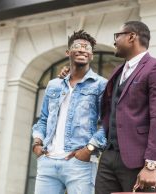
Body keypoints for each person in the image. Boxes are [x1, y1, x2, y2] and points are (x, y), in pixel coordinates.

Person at [95, 21, 156, 194]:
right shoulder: (118, 71)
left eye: (118, 36)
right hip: (109, 157)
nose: (114, 42)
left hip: (139, 160)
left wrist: (152, 164)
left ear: (131, 37)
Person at [31, 30, 107, 194]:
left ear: (91, 55)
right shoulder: (54, 85)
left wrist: (89, 149)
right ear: (68, 52)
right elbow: (43, 119)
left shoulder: (101, 84)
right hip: (48, 162)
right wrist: (37, 144)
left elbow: (108, 123)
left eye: (86, 47)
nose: (82, 50)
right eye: (77, 46)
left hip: (80, 163)